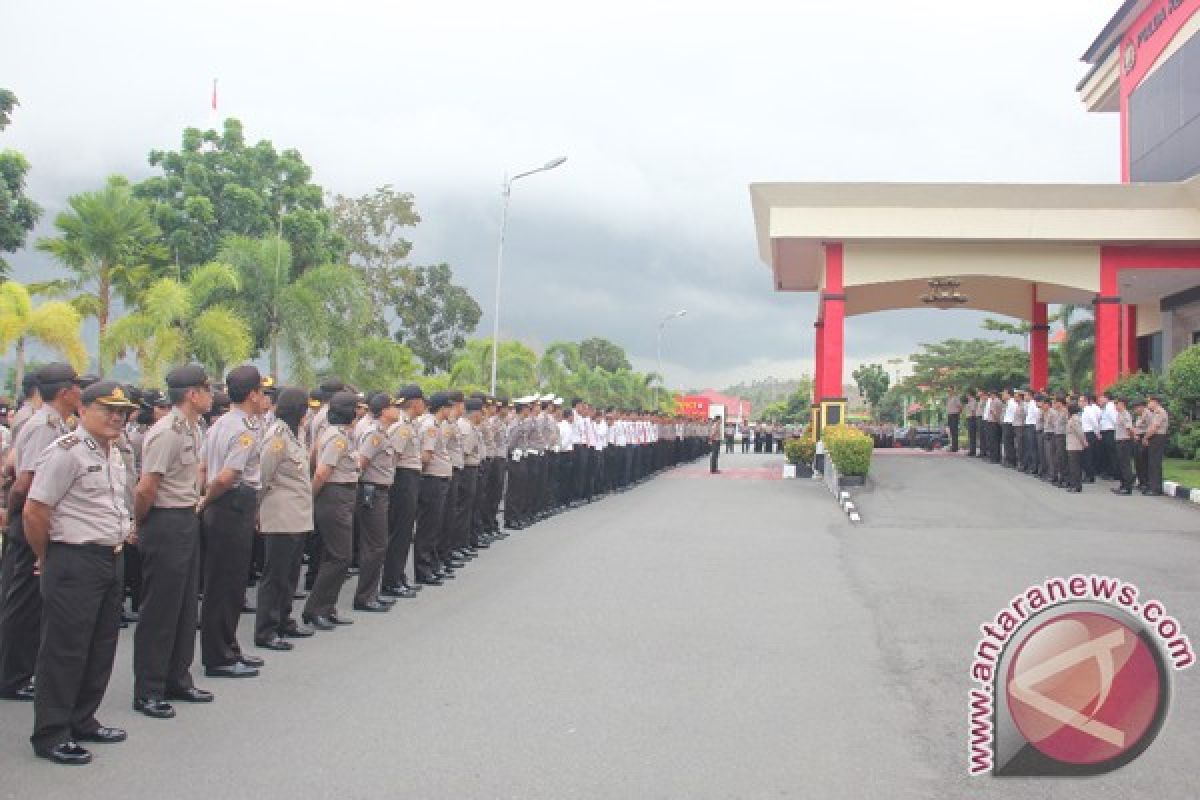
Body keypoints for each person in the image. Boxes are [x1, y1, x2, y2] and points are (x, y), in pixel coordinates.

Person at [23, 381, 137, 765]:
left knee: (101, 645)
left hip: (110, 555)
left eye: (122, 411)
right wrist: (47, 556)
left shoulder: (114, 452)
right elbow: (35, 510)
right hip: (73, 558)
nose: (116, 417)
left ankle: (83, 719)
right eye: (108, 409)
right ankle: (52, 732)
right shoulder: (66, 453)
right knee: (65, 649)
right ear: (83, 410)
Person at [131, 365, 214, 719]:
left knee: (183, 606)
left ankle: (177, 678)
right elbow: (146, 487)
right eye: (207, 389)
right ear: (192, 394)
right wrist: (141, 523)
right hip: (164, 520)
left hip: (185, 519)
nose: (211, 395)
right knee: (160, 609)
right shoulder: (167, 432)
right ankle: (148, 688)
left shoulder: (193, 429)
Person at [1, 363, 83, 704]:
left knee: (32, 598)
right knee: (22, 600)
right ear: (65, 392)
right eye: (77, 386)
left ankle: (19, 669)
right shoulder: (43, 425)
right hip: (29, 518)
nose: (81, 392)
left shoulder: (58, 424)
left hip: (38, 516)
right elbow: (25, 481)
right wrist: (15, 517)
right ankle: (12, 676)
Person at [198, 365, 266, 678]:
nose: (263, 397)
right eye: (261, 391)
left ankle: (229, 646)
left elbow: (203, 468)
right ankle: (219, 656)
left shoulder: (220, 423)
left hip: (226, 503)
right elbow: (227, 476)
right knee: (225, 584)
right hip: (230, 503)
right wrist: (208, 499)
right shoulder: (244, 429)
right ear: (252, 394)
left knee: (228, 582)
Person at [254, 387, 316, 650]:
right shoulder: (277, 437)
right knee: (276, 574)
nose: (308, 414)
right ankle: (266, 629)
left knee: (290, 572)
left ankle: (284, 619)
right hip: (280, 514)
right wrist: (257, 511)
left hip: (297, 514)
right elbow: (263, 476)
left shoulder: (294, 434)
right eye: (305, 409)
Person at [302, 391, 362, 628]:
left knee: (336, 555)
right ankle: (315, 609)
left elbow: (313, 457)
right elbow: (321, 472)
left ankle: (327, 607)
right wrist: (311, 498)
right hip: (334, 495)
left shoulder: (335, 434)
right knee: (340, 556)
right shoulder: (337, 437)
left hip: (340, 495)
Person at [352, 392, 399, 613]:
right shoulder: (375, 434)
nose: (396, 410)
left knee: (376, 545)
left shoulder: (381, 432)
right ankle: (365, 597)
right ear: (384, 411)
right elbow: (361, 463)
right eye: (393, 407)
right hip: (372, 492)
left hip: (378, 491)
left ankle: (370, 593)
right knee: (375, 545)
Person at [381, 385, 424, 599]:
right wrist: (392, 483)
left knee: (406, 531)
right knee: (400, 531)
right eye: (421, 401)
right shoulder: (402, 426)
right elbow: (394, 457)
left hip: (409, 478)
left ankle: (398, 577)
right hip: (402, 479)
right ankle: (391, 580)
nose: (423, 405)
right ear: (414, 402)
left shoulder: (410, 424)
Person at [414, 392, 453, 585]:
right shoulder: (430, 426)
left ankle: (432, 564)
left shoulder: (434, 425)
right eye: (449, 407)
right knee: (428, 526)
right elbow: (426, 455)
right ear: (442, 408)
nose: (451, 410)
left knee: (435, 525)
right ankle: (423, 569)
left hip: (437, 479)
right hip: (432, 480)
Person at [1143, 395, 1169, 496]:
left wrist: (1146, 437)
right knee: (1152, 462)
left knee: (1155, 463)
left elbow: (1154, 427)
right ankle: (1154, 486)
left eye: (1150, 402)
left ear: (1155, 402)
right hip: (1155, 438)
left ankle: (1155, 488)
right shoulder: (1154, 412)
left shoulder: (1159, 412)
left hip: (1157, 438)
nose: (1148, 404)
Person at [1111, 396, 1136, 496]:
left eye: (1117, 404)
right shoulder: (1119, 414)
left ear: (1122, 404)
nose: (1115, 406)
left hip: (1124, 441)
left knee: (1125, 465)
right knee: (1120, 464)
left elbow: (1129, 428)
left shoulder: (1125, 414)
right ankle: (1122, 485)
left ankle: (1127, 487)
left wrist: (1131, 438)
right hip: (1119, 441)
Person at [1064, 401, 1087, 493]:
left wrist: (1084, 442)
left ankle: (1077, 486)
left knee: (1075, 466)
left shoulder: (1075, 419)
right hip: (1072, 445)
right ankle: (1074, 484)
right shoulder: (1073, 418)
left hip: (1075, 445)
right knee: (1073, 466)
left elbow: (1079, 432)